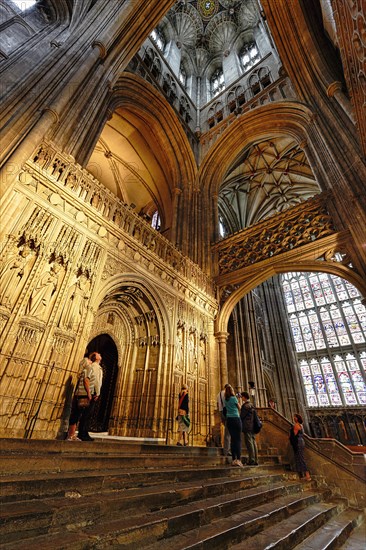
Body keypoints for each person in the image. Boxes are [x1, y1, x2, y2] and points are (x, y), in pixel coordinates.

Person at [66, 352, 103, 442]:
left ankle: (76, 434)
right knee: (83, 414)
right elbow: (90, 380)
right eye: (98, 354)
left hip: (85, 393)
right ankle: (78, 434)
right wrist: (95, 393)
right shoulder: (92, 367)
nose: (100, 355)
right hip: (87, 393)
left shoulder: (92, 367)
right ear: (95, 358)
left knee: (81, 413)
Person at [224, 385, 243, 467]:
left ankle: (233, 459)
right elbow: (240, 408)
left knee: (232, 440)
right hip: (236, 419)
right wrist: (238, 400)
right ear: (232, 391)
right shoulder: (234, 398)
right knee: (238, 440)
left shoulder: (226, 400)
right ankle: (238, 460)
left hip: (229, 420)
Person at [289, 413, 311, 481]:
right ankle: (303, 475)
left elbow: (294, 435)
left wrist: (290, 434)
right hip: (301, 441)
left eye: (294, 417)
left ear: (297, 418)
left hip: (298, 442)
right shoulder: (301, 425)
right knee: (300, 457)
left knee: (300, 458)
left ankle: (307, 475)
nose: (293, 418)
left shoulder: (296, 425)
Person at [240, 391, 258, 466]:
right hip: (252, 426)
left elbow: (242, 416)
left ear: (244, 397)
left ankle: (251, 460)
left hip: (247, 427)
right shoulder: (251, 405)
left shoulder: (245, 406)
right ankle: (255, 460)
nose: (241, 398)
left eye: (242, 397)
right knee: (253, 443)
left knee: (249, 443)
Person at [216, 384, 231, 456]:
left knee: (226, 431)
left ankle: (225, 447)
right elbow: (227, 403)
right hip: (227, 412)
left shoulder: (218, 394)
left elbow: (218, 405)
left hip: (221, 412)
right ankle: (227, 450)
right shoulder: (226, 394)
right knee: (228, 433)